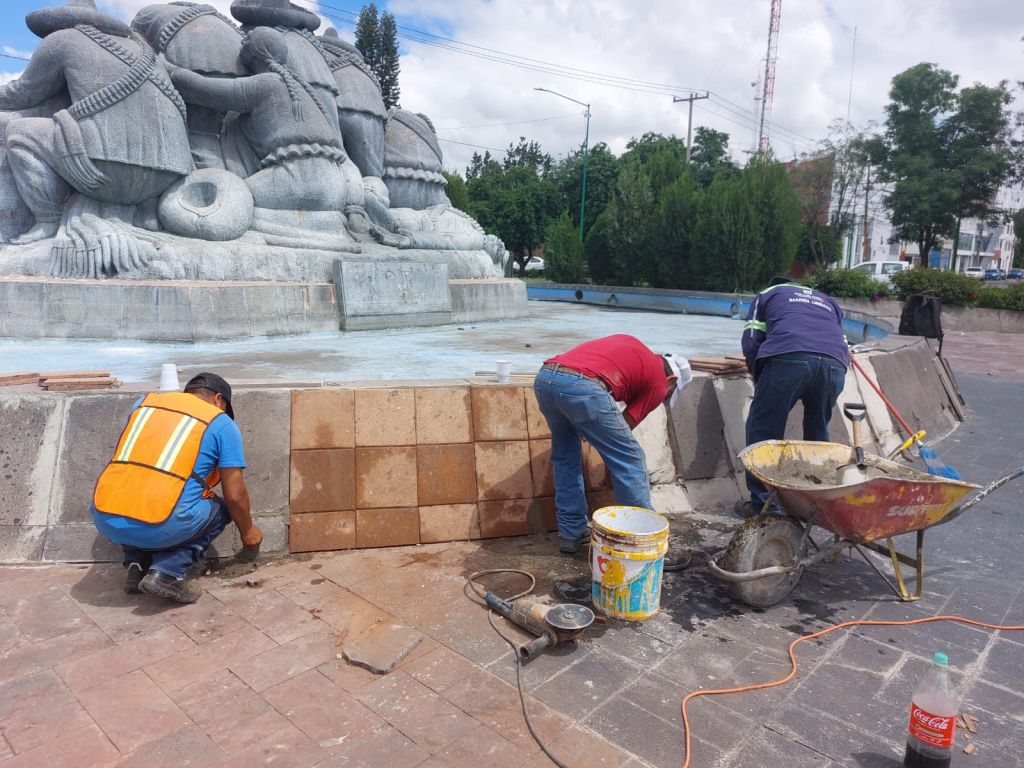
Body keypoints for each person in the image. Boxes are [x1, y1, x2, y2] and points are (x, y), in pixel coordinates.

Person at [91, 373, 262, 603]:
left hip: (105, 516)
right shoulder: (220, 423)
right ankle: (169, 572)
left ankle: (136, 566)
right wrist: (249, 533)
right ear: (218, 399)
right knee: (221, 509)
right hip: (162, 523)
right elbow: (236, 497)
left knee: (137, 485)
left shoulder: (143, 405)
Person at [533, 335, 691, 554]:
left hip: (546, 378)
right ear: (673, 380)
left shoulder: (637, 349)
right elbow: (626, 426)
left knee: (565, 458)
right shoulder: (660, 382)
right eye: (669, 394)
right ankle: (642, 540)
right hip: (582, 386)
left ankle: (571, 533)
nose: (664, 397)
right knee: (631, 459)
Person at [738, 277, 849, 517]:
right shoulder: (827, 300)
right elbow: (842, 342)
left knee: (763, 432)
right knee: (817, 434)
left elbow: (751, 340)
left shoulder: (767, 292)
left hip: (789, 357)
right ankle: (813, 502)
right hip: (834, 365)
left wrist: (761, 378)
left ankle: (763, 504)